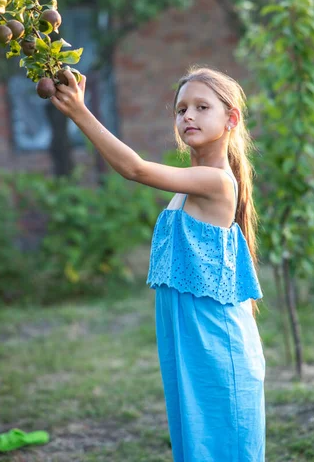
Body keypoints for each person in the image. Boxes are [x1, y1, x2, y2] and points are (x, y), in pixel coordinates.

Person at [50, 63, 266, 462]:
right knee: (196, 443)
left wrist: (81, 112)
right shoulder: (191, 182)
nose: (188, 116)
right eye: (181, 109)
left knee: (221, 448)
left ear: (231, 118)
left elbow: (135, 169)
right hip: (187, 338)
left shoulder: (217, 181)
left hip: (215, 342)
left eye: (202, 107)